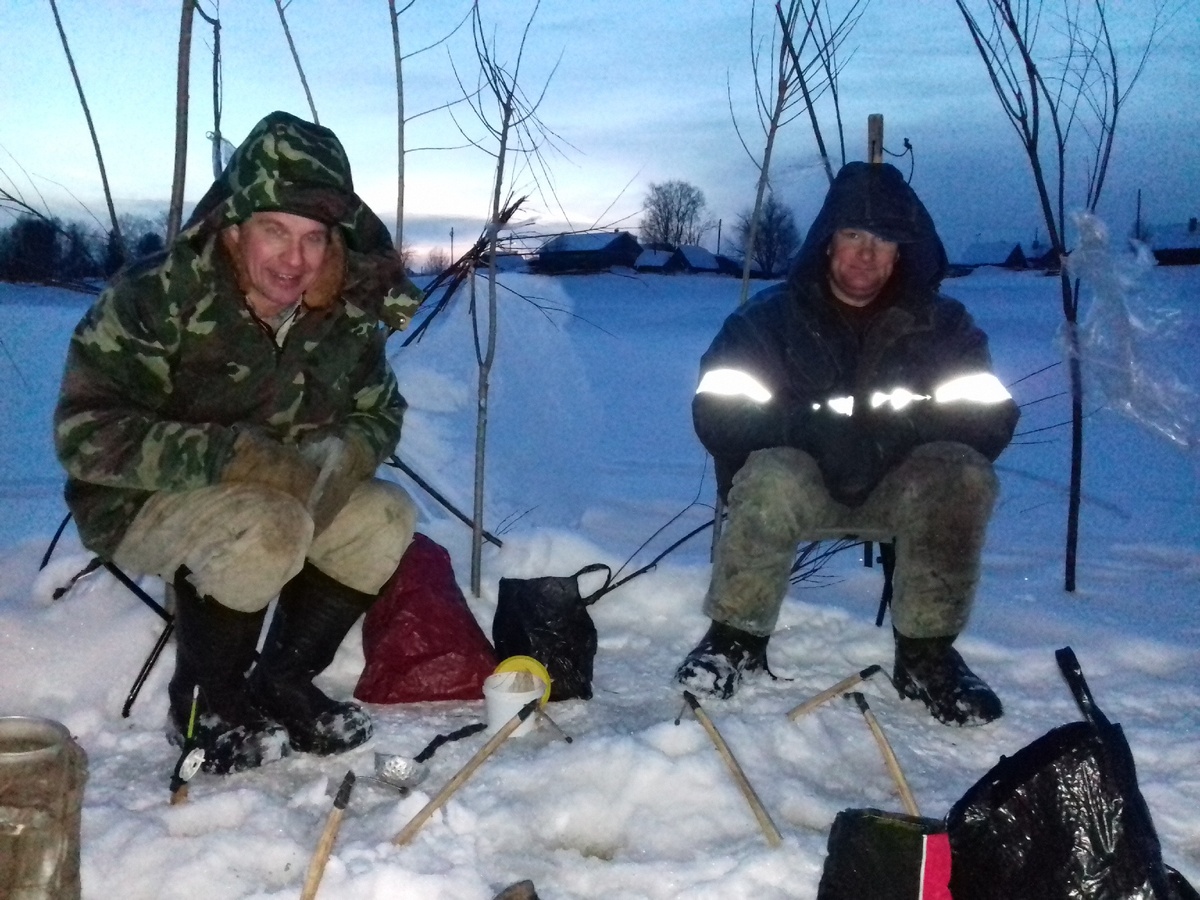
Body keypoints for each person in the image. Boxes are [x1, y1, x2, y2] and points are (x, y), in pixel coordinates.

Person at [54, 111, 425, 773]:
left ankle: (281, 682)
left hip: (285, 493)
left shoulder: (344, 312)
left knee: (385, 514)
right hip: (137, 501)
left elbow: (381, 409)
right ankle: (206, 705)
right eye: (275, 231)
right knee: (270, 524)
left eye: (313, 238)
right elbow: (85, 436)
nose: (295, 260)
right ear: (234, 225)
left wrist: (349, 453)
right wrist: (232, 457)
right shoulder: (155, 296)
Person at [675, 162, 1020, 726]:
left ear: (903, 252)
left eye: (883, 240)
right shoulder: (767, 320)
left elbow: (989, 415)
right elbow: (717, 408)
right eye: (854, 235)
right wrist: (807, 430)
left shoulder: (945, 326)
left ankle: (927, 656)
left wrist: (897, 436)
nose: (866, 254)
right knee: (769, 475)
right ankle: (734, 640)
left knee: (963, 475)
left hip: (901, 489)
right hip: (797, 491)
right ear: (828, 241)